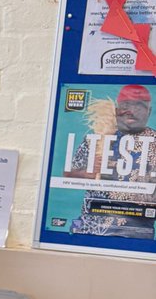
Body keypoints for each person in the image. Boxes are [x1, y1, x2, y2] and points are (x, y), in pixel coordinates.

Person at [65, 82, 156, 239]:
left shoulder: (154, 142)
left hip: (133, 233)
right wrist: (87, 173)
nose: (131, 111)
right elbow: (68, 175)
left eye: (139, 106)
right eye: (126, 105)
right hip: (88, 228)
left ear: (149, 111)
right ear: (116, 110)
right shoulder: (97, 137)